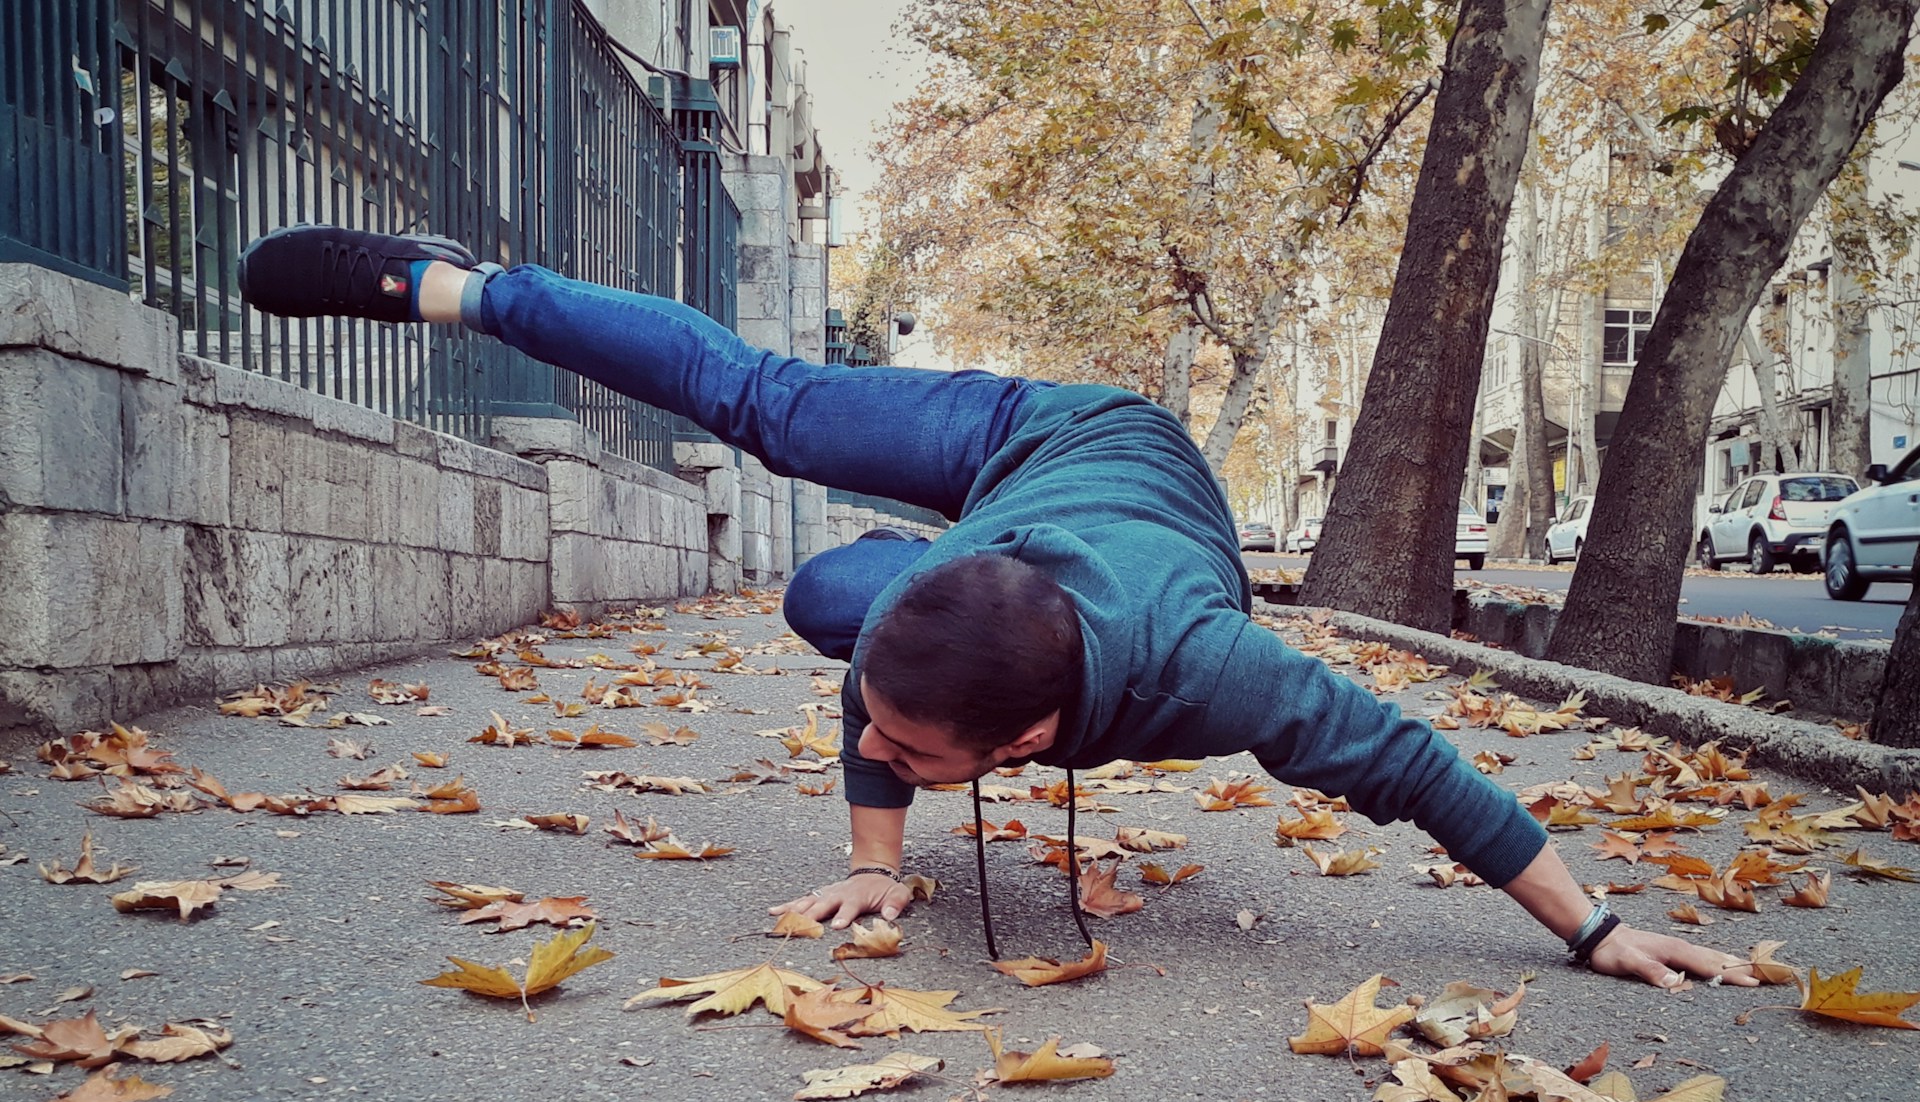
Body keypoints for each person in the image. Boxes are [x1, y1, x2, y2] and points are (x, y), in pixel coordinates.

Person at [237, 225, 1757, 990]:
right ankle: (466, 286)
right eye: (888, 734)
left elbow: (1419, 767)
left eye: (917, 751)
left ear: (1030, 739)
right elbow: (882, 692)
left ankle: (910, 545)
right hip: (1026, 440)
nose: (881, 748)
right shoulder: (929, 630)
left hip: (1133, 485)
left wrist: (1598, 927)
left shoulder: (1221, 676)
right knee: (777, 442)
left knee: (824, 597)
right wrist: (872, 863)